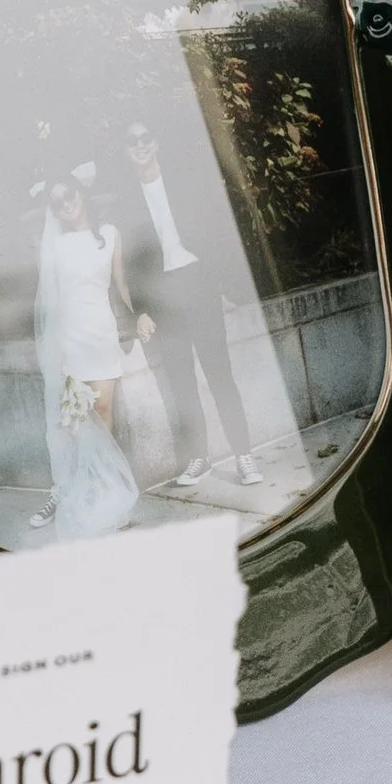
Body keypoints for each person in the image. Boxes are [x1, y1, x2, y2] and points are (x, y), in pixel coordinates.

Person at [120, 111, 262, 496]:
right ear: (126, 150)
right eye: (132, 140)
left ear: (156, 142)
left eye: (146, 136)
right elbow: (130, 261)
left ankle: (244, 454)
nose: (141, 144)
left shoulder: (182, 183)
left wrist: (226, 288)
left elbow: (215, 233)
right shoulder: (125, 199)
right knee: (182, 383)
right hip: (163, 295)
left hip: (197, 282)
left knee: (220, 374)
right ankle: (199, 458)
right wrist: (140, 310)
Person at [32, 170, 140, 538]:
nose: (66, 203)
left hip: (102, 333)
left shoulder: (109, 236)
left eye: (69, 195)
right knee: (75, 420)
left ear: (81, 193)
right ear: (55, 211)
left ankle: (103, 488)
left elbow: (121, 284)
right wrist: (58, 349)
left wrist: (139, 312)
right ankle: (73, 489)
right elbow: (54, 299)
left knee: (104, 411)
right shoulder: (57, 246)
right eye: (57, 202)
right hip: (72, 337)